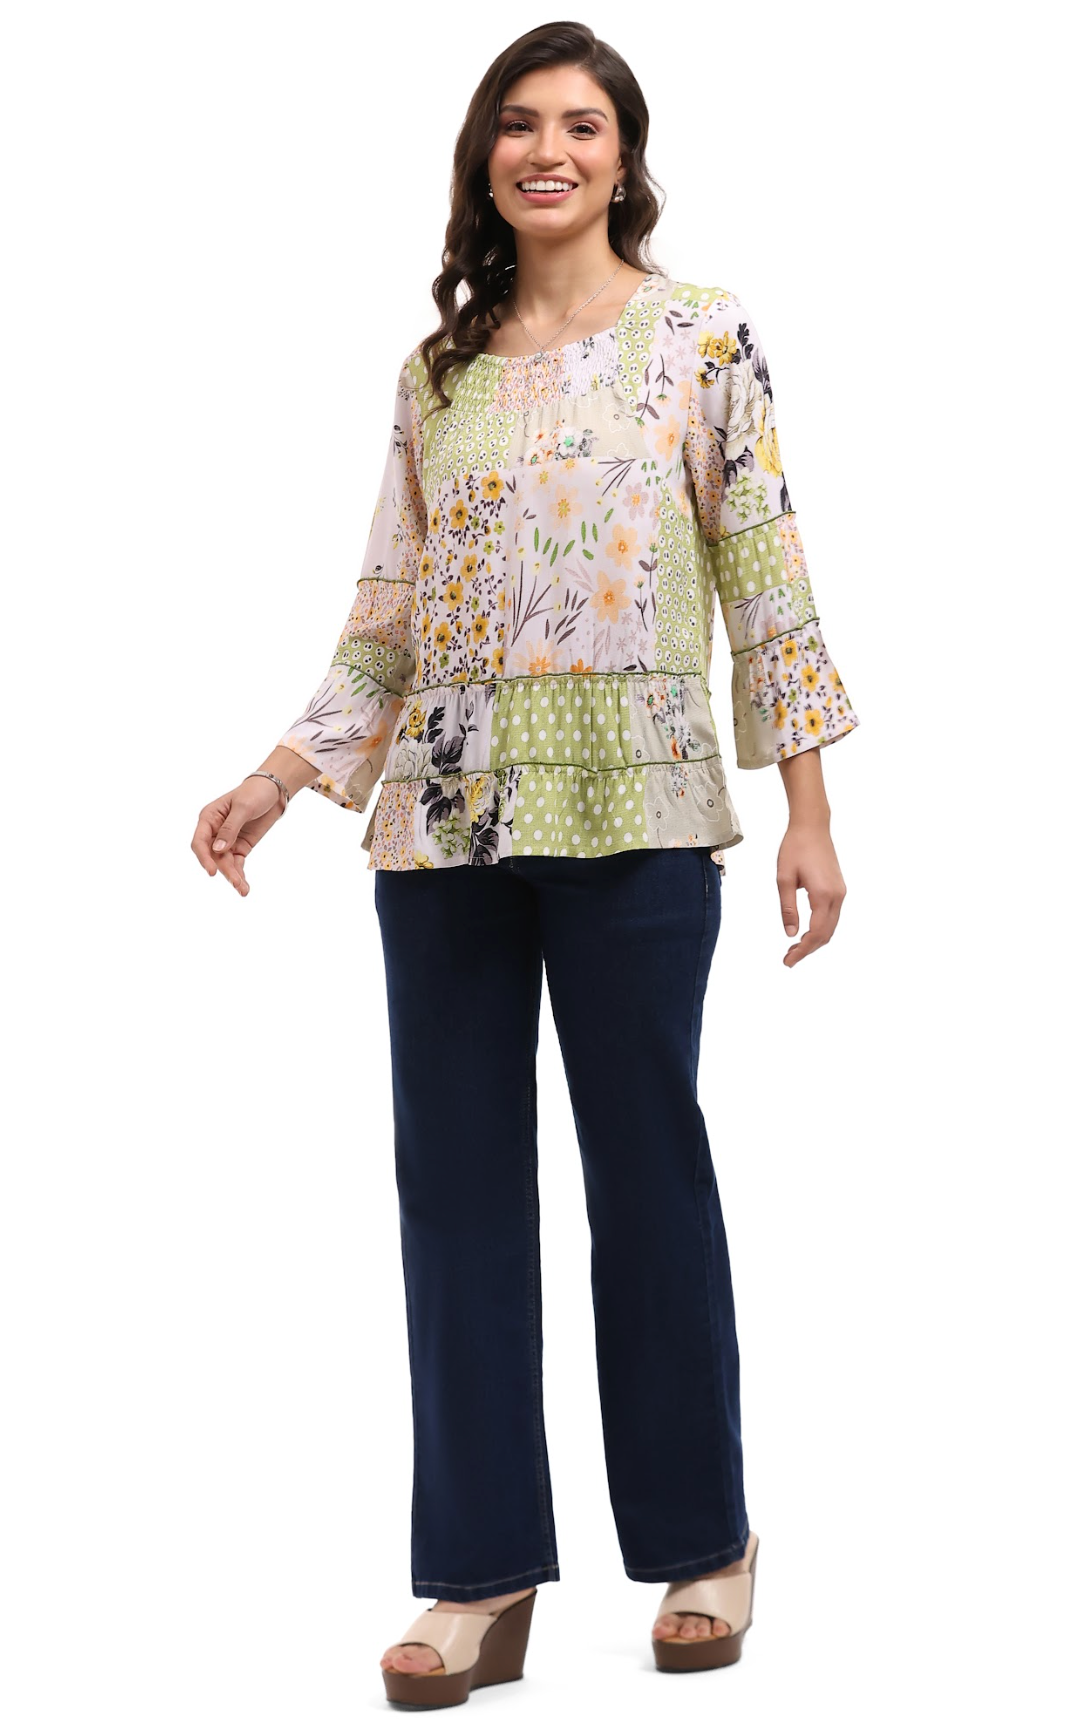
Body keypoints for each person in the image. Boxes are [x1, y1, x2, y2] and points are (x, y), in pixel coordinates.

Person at [191, 22, 859, 1710]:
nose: (546, 150)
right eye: (517, 124)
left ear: (625, 157)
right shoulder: (439, 373)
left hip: (639, 813)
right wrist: (282, 773)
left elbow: (766, 569)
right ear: (484, 158)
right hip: (444, 826)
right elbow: (387, 610)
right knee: (457, 1197)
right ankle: (478, 1576)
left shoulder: (704, 338)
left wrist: (807, 808)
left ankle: (705, 1542)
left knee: (648, 1179)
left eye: (581, 125)